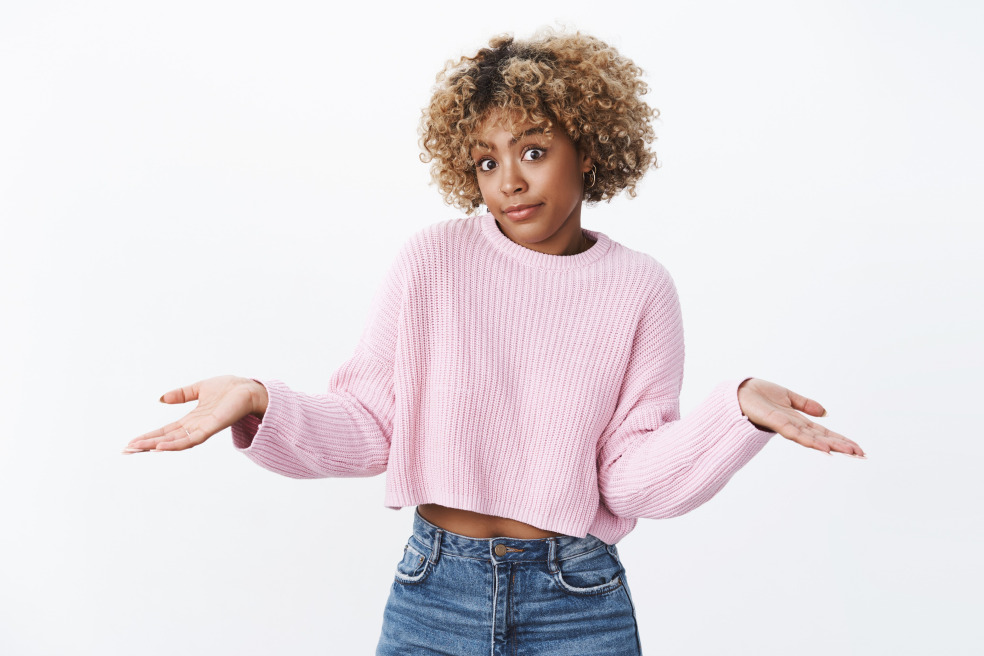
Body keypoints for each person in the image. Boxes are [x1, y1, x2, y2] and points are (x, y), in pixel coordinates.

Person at [124, 28, 866, 655]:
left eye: (534, 150)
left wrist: (734, 413)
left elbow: (631, 478)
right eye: (487, 160)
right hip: (432, 592)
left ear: (590, 146)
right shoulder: (433, 261)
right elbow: (373, 424)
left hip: (578, 599)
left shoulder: (640, 287)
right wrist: (262, 403)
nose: (509, 181)